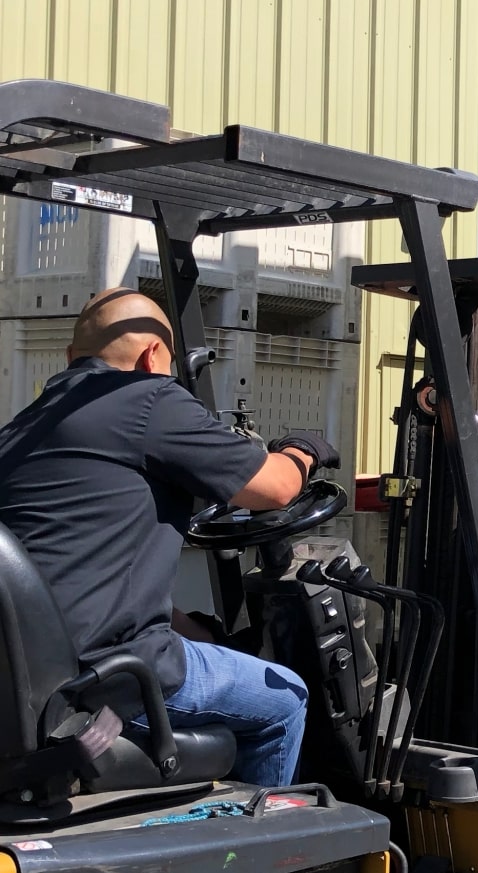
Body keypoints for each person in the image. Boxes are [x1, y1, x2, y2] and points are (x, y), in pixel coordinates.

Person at [0, 288, 340, 786]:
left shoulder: (22, 430)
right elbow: (276, 487)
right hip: (110, 678)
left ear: (71, 358)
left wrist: (192, 630)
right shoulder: (146, 397)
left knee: (216, 652)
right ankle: (257, 856)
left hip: (30, 680)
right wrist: (304, 449)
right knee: (286, 697)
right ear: (151, 355)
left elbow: (83, 577)